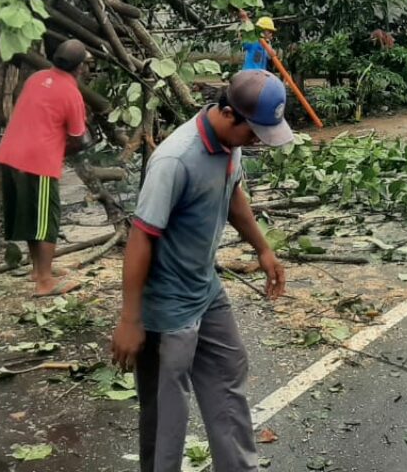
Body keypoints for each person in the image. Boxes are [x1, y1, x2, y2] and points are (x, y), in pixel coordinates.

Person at [110, 68, 291, 472]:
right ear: (228, 114)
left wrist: (263, 248)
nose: (256, 141)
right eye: (253, 133)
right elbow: (140, 238)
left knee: (229, 373)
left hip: (204, 290)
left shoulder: (231, 144)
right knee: (166, 413)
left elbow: (232, 194)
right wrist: (129, 318)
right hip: (167, 307)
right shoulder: (175, 159)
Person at [0, 39, 91, 297]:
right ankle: (45, 282)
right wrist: (62, 149)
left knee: (30, 215)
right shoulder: (72, 94)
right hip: (38, 161)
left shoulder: (36, 78)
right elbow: (79, 138)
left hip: (10, 153)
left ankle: (38, 269)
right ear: (80, 67)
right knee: (47, 219)